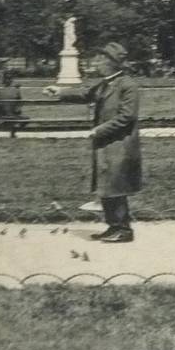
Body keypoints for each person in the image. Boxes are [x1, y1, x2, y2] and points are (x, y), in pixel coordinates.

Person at [44, 42, 142, 244]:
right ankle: (113, 226)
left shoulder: (127, 85)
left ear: (112, 63)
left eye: (100, 59)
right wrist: (60, 92)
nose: (96, 63)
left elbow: (127, 117)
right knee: (106, 185)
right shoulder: (105, 84)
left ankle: (124, 229)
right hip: (106, 144)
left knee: (116, 186)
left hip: (120, 143)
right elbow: (85, 94)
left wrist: (99, 130)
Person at [0, 70, 28, 136]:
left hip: (2, 115)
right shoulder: (17, 90)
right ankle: (13, 132)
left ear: (3, 81)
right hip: (13, 115)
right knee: (25, 118)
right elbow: (19, 104)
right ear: (11, 81)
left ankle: (6, 127)